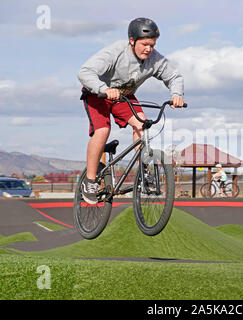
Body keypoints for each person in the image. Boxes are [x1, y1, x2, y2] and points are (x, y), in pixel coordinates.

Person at [78, 17, 184, 204]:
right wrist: (103, 89)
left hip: (123, 97)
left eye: (152, 45)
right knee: (102, 131)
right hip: (98, 94)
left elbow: (174, 76)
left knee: (142, 125)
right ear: (132, 40)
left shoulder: (154, 59)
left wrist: (176, 94)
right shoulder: (115, 52)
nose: (148, 49)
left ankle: (143, 174)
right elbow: (85, 72)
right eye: (144, 44)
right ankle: (90, 180)